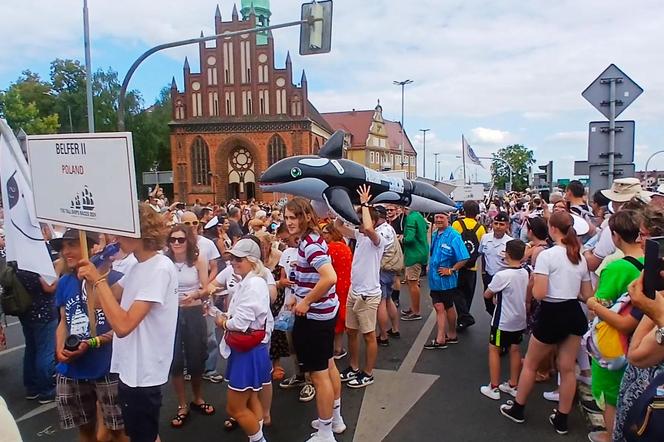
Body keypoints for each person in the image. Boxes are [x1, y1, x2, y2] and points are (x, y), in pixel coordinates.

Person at [77, 203, 178, 442]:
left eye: (121, 231)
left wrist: (98, 282)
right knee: (142, 435)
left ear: (139, 232)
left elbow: (122, 326)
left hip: (145, 370)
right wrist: (99, 272)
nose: (114, 237)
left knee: (143, 435)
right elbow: (100, 303)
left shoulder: (160, 268)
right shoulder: (136, 265)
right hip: (130, 367)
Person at [500, 212, 594, 435]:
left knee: (531, 364)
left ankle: (518, 408)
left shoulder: (547, 256)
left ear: (552, 229)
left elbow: (540, 293)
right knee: (567, 367)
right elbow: (588, 294)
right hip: (573, 312)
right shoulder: (578, 257)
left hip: (552, 312)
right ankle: (562, 419)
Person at [52, 229, 127, 441]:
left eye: (73, 244)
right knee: (84, 428)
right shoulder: (65, 281)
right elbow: (63, 322)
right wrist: (59, 350)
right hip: (72, 368)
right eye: (63, 247)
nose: (66, 251)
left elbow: (124, 327)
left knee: (118, 430)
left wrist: (92, 342)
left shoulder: (117, 281)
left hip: (107, 367)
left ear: (93, 247)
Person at [284, 197, 344, 441]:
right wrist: (297, 293)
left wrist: (306, 301)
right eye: (287, 217)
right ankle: (334, 419)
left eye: (294, 217)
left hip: (315, 317)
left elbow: (329, 277)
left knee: (319, 375)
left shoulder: (310, 244)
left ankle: (326, 432)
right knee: (328, 366)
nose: (289, 222)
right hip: (324, 313)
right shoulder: (311, 239)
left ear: (306, 217)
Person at [584, 210, 645, 442]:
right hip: (643, 338)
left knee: (612, 395)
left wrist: (592, 303)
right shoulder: (650, 262)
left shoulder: (616, 268)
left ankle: (611, 435)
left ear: (615, 235)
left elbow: (598, 305)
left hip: (617, 342)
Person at [211, 239, 273, 442]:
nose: (233, 263)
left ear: (253, 261)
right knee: (252, 397)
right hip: (250, 349)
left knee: (235, 408)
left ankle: (258, 439)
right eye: (232, 258)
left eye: (239, 259)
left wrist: (222, 322)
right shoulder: (250, 281)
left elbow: (240, 322)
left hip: (247, 351)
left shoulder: (253, 283)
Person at [335, 186, 389, 388]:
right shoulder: (359, 236)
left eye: (362, 218)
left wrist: (365, 204)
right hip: (354, 291)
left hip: (368, 295)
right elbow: (338, 226)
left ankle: (368, 372)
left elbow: (368, 227)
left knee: (368, 335)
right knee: (351, 331)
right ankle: (354, 367)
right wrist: (346, 204)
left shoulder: (378, 240)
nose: (359, 223)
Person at [165, 225, 215, 428]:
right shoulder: (164, 262)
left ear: (189, 242)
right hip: (170, 315)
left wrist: (196, 295)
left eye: (181, 239)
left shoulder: (198, 260)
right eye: (173, 239)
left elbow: (206, 288)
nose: (176, 243)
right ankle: (182, 404)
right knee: (175, 360)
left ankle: (198, 398)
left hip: (193, 312)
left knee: (196, 358)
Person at [480, 240, 529, 400]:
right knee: (515, 350)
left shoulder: (502, 275)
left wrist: (494, 295)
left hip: (503, 321)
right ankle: (513, 384)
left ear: (507, 253)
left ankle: (494, 387)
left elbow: (487, 294)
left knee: (494, 349)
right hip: (519, 319)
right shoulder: (525, 272)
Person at [424, 212, 469, 349]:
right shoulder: (435, 234)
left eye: (441, 217)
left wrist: (451, 270)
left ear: (447, 219)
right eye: (436, 217)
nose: (438, 220)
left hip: (447, 281)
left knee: (447, 307)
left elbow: (464, 257)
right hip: (434, 280)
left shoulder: (454, 235)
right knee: (439, 307)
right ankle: (443, 337)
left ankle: (448, 335)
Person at [16, 268, 57, 404]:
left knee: (31, 349)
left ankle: (32, 387)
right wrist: (58, 269)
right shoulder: (36, 261)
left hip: (26, 312)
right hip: (43, 311)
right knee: (45, 351)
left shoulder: (16, 261)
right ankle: (46, 390)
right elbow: (49, 287)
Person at [452, 200, 486, 330]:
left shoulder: (457, 224)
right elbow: (482, 248)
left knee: (456, 292)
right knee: (468, 293)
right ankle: (463, 318)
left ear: (463, 211)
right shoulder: (480, 228)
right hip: (472, 266)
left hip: (458, 264)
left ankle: (464, 317)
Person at [321, 223, 352, 359]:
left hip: (333, 285)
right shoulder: (344, 245)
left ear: (332, 233)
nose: (323, 236)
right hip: (346, 284)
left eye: (325, 233)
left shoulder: (329, 249)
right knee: (341, 315)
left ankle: (333, 348)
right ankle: (338, 348)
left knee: (333, 315)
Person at [375, 206, 401, 345]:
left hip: (382, 268)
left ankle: (383, 335)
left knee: (381, 302)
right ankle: (395, 329)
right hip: (390, 268)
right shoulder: (389, 227)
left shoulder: (380, 231)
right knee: (388, 299)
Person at [479, 212, 513, 316]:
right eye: (496, 223)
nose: (498, 227)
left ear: (507, 225)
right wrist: (483, 273)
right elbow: (482, 255)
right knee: (489, 306)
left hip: (503, 280)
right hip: (489, 277)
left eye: (501, 224)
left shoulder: (510, 243)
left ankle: (497, 331)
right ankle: (495, 325)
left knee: (500, 309)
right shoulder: (485, 238)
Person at [400, 208, 429, 321]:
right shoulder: (418, 215)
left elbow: (410, 238)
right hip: (420, 251)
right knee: (412, 282)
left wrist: (402, 239)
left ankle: (416, 311)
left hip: (414, 254)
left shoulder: (411, 217)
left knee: (413, 283)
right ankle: (413, 308)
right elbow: (426, 227)